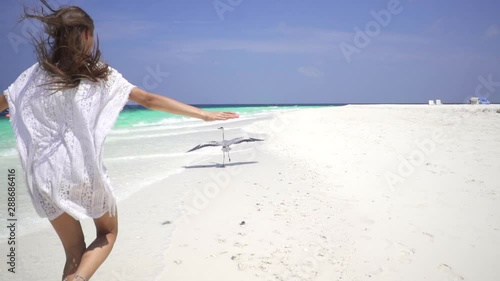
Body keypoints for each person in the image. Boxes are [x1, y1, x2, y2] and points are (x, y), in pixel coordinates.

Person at [0, 2, 239, 281]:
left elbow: (5, 101)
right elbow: (148, 99)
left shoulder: (35, 74)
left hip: (43, 177)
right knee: (107, 233)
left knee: (74, 253)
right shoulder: (99, 73)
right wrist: (203, 115)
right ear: (87, 34)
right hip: (81, 171)